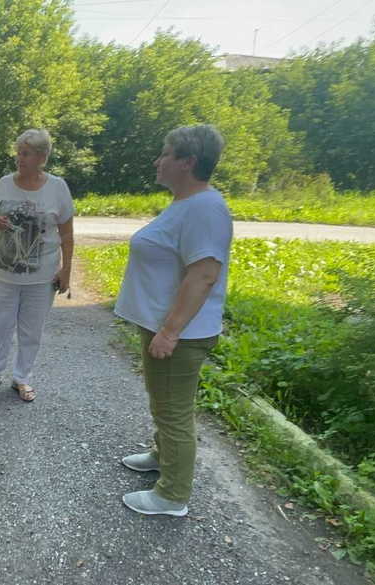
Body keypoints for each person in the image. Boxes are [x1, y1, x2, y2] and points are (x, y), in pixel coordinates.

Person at [113, 124, 232, 517]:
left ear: (188, 162)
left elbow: (204, 274)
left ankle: (172, 495)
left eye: (165, 153)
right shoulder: (187, 203)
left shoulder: (205, 208)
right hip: (167, 327)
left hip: (181, 333)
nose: (157, 161)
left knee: (174, 412)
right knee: (163, 402)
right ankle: (162, 456)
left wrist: (170, 331)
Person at [0, 129, 73, 402]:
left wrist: (67, 271)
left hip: (42, 277)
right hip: (4, 274)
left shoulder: (57, 187)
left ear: (42, 157)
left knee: (32, 329)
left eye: (25, 153)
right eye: (18, 152)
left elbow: (66, 234)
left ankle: (22, 378)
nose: (19, 158)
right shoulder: (4, 184)